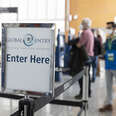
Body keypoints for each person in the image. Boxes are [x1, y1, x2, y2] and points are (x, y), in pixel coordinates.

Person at [75, 18, 94, 99]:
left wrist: (74, 43)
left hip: (84, 57)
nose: (81, 25)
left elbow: (79, 45)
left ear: (86, 24)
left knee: (81, 77)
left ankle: (82, 93)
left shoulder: (85, 33)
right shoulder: (90, 32)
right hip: (90, 56)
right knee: (87, 76)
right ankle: (88, 92)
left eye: (82, 23)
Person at [99, 23, 116, 112]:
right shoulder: (108, 39)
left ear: (114, 28)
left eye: (109, 28)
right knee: (108, 86)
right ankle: (108, 104)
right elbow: (106, 49)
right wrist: (103, 55)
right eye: (107, 28)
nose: (107, 29)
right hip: (108, 65)